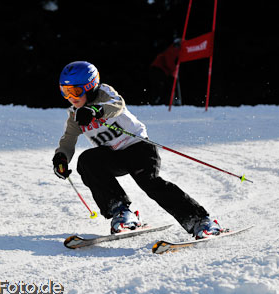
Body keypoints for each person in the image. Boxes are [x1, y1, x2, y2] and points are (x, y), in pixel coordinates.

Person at [52, 61, 222, 239]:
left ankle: (200, 220)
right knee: (87, 161)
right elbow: (68, 140)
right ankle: (121, 212)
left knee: (150, 183)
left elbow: (116, 105)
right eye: (65, 92)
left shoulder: (104, 94)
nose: (71, 97)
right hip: (113, 156)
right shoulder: (75, 115)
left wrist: (96, 111)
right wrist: (61, 158)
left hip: (139, 149)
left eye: (75, 91)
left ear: (90, 86)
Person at [149, 38, 181, 105]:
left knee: (164, 86)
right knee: (162, 86)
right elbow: (169, 62)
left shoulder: (173, 50)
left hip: (161, 70)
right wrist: (174, 70)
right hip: (158, 69)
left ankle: (161, 101)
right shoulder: (172, 50)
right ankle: (159, 101)